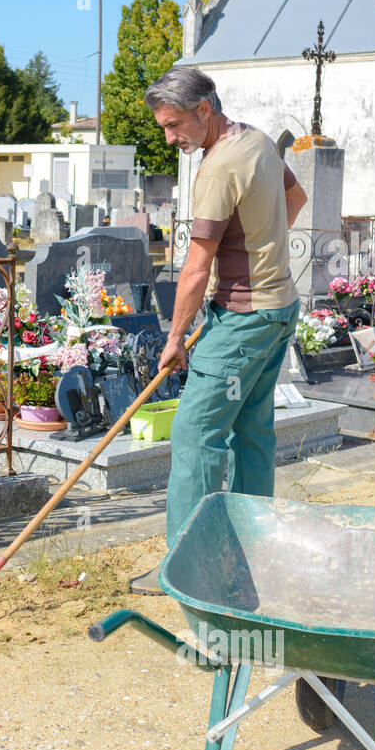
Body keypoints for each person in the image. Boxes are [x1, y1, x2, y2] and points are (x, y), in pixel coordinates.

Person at [146, 66, 307, 546]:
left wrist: (174, 339)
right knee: (252, 432)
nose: (171, 137)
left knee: (194, 435)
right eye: (164, 128)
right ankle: (251, 546)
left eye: (175, 125)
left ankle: (188, 560)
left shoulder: (217, 168)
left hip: (242, 319)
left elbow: (196, 267)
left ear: (204, 109)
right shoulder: (257, 141)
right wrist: (260, 246)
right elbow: (295, 198)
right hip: (278, 309)